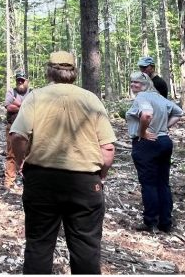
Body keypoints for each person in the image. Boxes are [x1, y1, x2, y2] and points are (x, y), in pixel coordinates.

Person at [10, 51, 116, 274]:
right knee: (86, 248)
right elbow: (108, 148)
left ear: (49, 71)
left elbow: (18, 136)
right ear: (74, 72)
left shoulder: (36, 97)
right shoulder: (90, 99)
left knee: (39, 245)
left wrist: (21, 162)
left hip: (42, 180)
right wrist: (101, 175)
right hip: (84, 182)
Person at [127, 71, 184, 233]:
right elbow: (179, 112)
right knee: (162, 183)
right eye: (132, 82)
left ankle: (151, 221)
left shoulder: (142, 97)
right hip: (164, 142)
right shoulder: (160, 98)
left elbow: (146, 114)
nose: (133, 85)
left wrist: (142, 132)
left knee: (149, 184)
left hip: (147, 144)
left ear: (145, 84)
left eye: (137, 83)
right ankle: (165, 222)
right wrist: (164, 128)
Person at [3, 70, 31, 189]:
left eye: (22, 80)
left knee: (31, 155)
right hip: (13, 127)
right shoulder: (11, 91)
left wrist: (18, 104)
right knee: (11, 154)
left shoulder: (33, 93)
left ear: (26, 81)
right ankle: (9, 181)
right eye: (18, 80)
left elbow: (34, 108)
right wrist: (25, 106)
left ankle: (29, 182)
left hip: (29, 128)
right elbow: (9, 107)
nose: (20, 82)